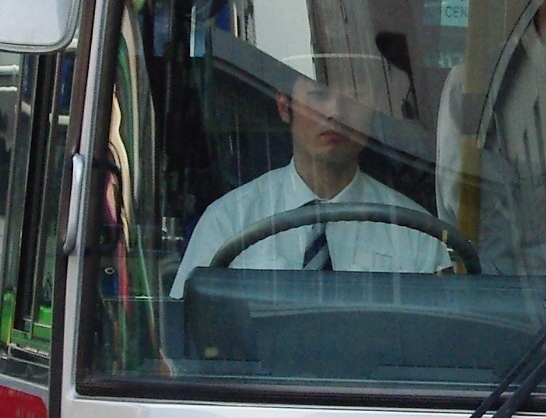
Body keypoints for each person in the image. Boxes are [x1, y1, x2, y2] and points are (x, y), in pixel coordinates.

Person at [178, 53, 453, 289]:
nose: (335, 111)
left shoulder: (415, 232)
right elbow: (189, 331)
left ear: (375, 110)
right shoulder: (229, 221)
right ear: (285, 106)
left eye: (354, 94)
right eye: (319, 95)